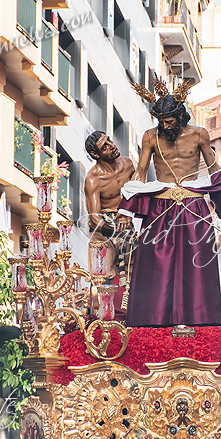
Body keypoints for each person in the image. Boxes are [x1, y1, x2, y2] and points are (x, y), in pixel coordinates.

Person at [120, 76, 221, 327]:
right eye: (161, 121)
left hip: (193, 204)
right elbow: (140, 171)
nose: (165, 125)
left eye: (170, 120)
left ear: (180, 116)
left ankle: (200, 320)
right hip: (160, 205)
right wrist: (126, 208)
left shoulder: (199, 134)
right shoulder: (150, 137)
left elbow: (214, 168)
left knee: (197, 261)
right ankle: (152, 321)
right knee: (156, 263)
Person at [84, 131, 135, 319]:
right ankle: (100, 320)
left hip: (127, 223)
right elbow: (94, 218)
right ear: (95, 154)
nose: (112, 146)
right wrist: (114, 232)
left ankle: (132, 318)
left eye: (109, 141)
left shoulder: (128, 164)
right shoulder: (93, 179)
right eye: (104, 146)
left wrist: (128, 215)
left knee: (133, 272)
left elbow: (138, 193)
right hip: (103, 230)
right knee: (103, 276)